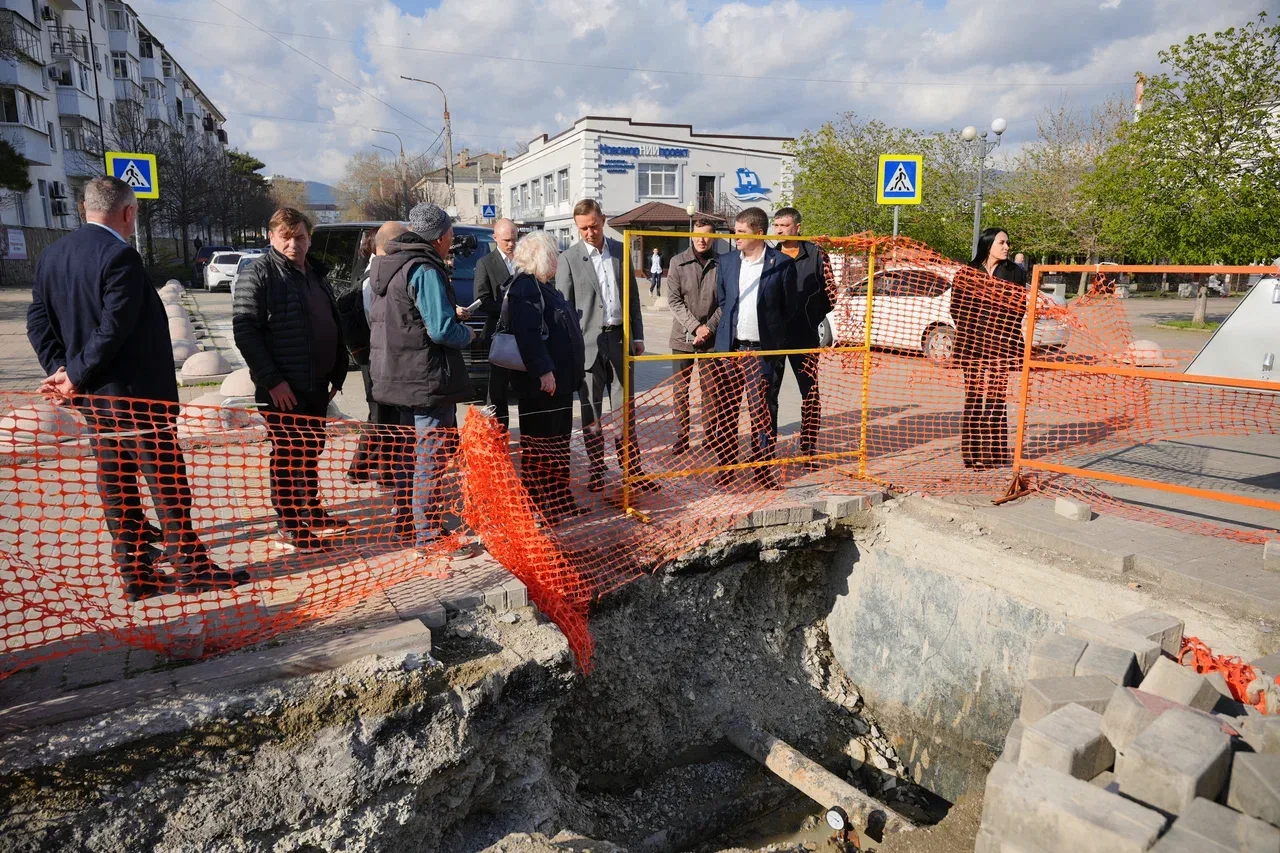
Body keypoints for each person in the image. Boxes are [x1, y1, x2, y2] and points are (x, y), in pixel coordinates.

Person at [27, 176, 241, 599]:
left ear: (83, 209)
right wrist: (71, 374)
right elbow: (114, 328)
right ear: (129, 212)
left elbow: (37, 321)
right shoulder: (120, 256)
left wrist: (60, 369)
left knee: (117, 481)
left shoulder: (51, 255)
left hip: (92, 400)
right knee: (167, 483)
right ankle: (190, 569)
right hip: (137, 398)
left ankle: (135, 574)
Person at [233, 207, 349, 550]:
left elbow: (332, 323)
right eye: (285, 237)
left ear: (309, 238)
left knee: (312, 448)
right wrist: (272, 381)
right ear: (272, 237)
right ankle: (289, 522)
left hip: (316, 384)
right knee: (287, 454)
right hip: (282, 388)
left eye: (299, 236)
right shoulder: (258, 275)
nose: (293, 244)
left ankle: (311, 509)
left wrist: (337, 373)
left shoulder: (315, 273)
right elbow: (245, 332)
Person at [368, 202, 475, 548]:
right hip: (424, 380)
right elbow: (441, 330)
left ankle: (407, 522)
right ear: (441, 237)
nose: (452, 239)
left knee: (407, 459)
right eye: (451, 233)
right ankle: (427, 534)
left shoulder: (389, 266)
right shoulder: (425, 269)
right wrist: (470, 335)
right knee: (431, 459)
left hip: (395, 378)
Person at [556, 198, 655, 492]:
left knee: (626, 408)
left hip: (619, 339)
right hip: (587, 344)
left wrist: (637, 335)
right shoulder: (569, 259)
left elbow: (633, 299)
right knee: (591, 411)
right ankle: (597, 468)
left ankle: (632, 468)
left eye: (594, 226)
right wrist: (570, 350)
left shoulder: (621, 252)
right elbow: (564, 308)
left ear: (603, 219)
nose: (589, 233)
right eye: (583, 229)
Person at [710, 207, 796, 489]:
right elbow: (723, 302)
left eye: (741, 233)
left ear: (759, 233)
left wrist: (774, 341)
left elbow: (788, 309)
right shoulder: (727, 261)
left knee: (763, 413)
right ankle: (726, 468)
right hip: (731, 351)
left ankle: (761, 469)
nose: (736, 237)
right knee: (727, 411)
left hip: (762, 353)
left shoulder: (781, 263)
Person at [506, 231, 587, 524]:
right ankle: (540, 503)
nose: (557, 259)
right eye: (553, 254)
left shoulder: (544, 287)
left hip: (560, 384)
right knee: (541, 446)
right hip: (543, 386)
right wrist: (544, 370)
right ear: (540, 256)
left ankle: (560, 498)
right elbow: (527, 335)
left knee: (558, 443)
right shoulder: (525, 287)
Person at [953, 227, 1027, 470]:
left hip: (1001, 345)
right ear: (988, 245)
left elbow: (1020, 309)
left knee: (996, 399)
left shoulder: (1014, 272)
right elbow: (956, 307)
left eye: (1007, 242)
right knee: (973, 398)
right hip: (973, 344)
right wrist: (973, 329)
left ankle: (993, 455)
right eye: (1001, 242)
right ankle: (971, 454)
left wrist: (1001, 330)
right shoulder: (967, 272)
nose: (1007, 247)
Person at [343, 222, 407, 484]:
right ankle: (365, 469)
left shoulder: (374, 273)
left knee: (385, 414)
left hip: (376, 354)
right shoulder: (371, 279)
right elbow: (375, 320)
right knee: (380, 415)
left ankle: (379, 471)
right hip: (374, 355)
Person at [771, 207, 833, 461]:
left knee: (810, 393)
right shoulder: (770, 254)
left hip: (805, 336)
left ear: (797, 227)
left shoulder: (816, 253)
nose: (779, 230)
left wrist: (812, 316)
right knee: (769, 393)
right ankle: (767, 445)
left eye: (784, 225)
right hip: (774, 338)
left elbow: (831, 292)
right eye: (776, 226)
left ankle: (808, 446)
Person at [666, 216, 722, 455]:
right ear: (691, 235)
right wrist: (694, 327)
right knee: (681, 391)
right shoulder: (677, 262)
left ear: (714, 236)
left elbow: (726, 302)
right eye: (698, 234)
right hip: (682, 338)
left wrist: (708, 327)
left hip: (711, 340)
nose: (702, 239)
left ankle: (710, 436)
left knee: (711, 390)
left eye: (707, 234)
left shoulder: (723, 264)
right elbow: (674, 300)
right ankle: (682, 436)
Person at [474, 218, 518, 429]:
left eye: (514, 239)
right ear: (495, 238)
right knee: (497, 391)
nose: (511, 244)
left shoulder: (523, 260)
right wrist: (507, 308)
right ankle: (498, 437)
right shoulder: (485, 263)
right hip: (498, 335)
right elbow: (482, 300)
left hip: (523, 333)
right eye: (507, 240)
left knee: (522, 388)